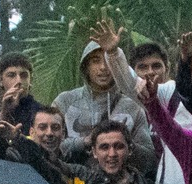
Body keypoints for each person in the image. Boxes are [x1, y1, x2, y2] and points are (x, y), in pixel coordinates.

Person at [53, 21, 155, 168]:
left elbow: (149, 159)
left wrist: (124, 142)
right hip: (72, 180)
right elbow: (50, 147)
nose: (103, 67)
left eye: (108, 60)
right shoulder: (65, 101)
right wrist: (85, 142)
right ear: (86, 66)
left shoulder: (132, 106)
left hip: (119, 182)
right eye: (95, 61)